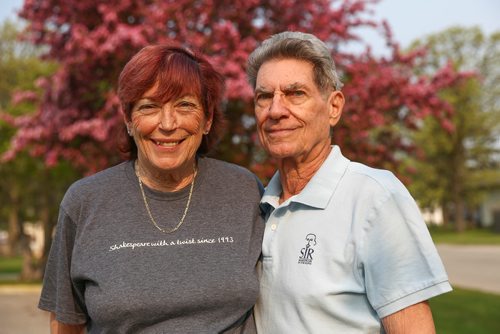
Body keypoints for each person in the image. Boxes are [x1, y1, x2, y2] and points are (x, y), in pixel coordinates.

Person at [38, 44, 264, 333]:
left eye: (185, 105)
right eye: (149, 106)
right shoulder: (85, 202)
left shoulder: (244, 191)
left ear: (207, 120)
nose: (167, 124)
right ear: (129, 120)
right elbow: (66, 323)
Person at [246, 31, 452, 333]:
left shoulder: (375, 197)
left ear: (334, 107)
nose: (276, 110)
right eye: (264, 96)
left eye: (295, 94)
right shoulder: (260, 204)